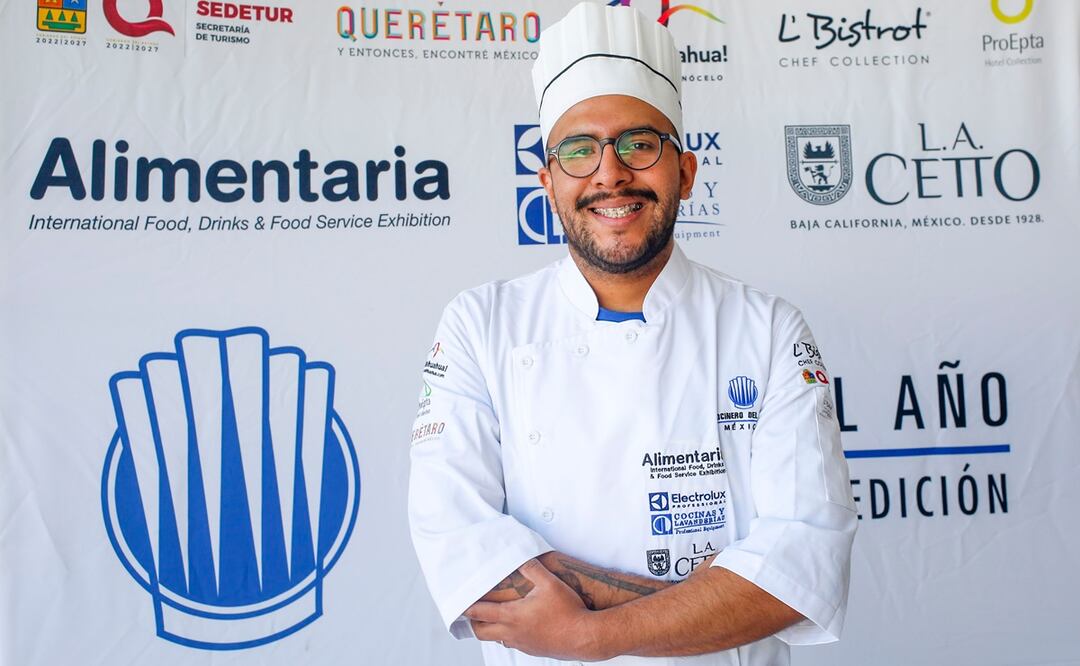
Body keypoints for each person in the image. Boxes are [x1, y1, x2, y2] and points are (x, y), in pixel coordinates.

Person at [408, 3, 857, 664]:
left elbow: (803, 569)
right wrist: (707, 605)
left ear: (685, 171)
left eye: (638, 144)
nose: (610, 173)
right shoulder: (482, 326)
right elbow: (463, 555)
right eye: (579, 150)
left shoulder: (766, 329)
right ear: (548, 183)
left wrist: (590, 634)